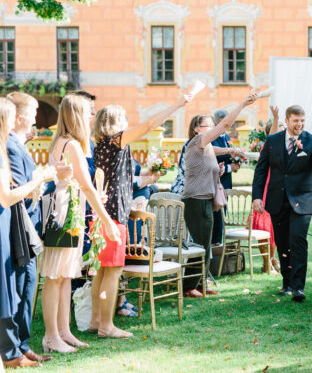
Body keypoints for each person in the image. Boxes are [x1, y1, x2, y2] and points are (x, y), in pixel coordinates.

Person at [91, 96, 190, 337]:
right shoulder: (114, 142)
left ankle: (96, 321)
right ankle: (106, 326)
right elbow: (147, 126)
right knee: (113, 271)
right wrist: (177, 104)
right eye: (123, 118)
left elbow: (121, 178)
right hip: (113, 214)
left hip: (105, 214)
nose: (127, 122)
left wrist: (148, 175)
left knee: (102, 271)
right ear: (113, 122)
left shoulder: (105, 145)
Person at [39, 94, 120, 354]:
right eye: (87, 112)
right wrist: (106, 221)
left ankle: (64, 331)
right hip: (65, 212)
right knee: (55, 276)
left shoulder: (65, 142)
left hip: (69, 209)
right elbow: (85, 184)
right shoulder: (72, 144)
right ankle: (51, 336)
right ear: (76, 115)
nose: (90, 117)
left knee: (64, 276)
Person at [252, 105, 312, 303]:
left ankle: (298, 287)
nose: (299, 124)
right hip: (277, 200)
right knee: (282, 242)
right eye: (296, 120)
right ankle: (287, 283)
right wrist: (257, 196)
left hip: (302, 200)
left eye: (302, 120)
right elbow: (261, 170)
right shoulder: (271, 141)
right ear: (287, 121)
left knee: (298, 240)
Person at [182, 95, 259, 298]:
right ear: (196, 129)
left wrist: (233, 150)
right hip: (195, 200)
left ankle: (200, 282)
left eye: (211, 125)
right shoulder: (197, 141)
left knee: (205, 244)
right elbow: (225, 125)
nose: (211, 128)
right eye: (207, 125)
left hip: (205, 200)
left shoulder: (206, 147)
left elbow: (218, 150)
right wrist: (242, 104)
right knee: (200, 245)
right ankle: (189, 286)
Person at [0, 98, 56, 368]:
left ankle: (19, 346)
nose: (36, 118)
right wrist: (41, 180)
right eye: (33, 113)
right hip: (15, 225)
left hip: (23, 223)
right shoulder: (9, 145)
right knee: (16, 287)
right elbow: (14, 192)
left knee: (25, 285)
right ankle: (12, 350)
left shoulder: (14, 144)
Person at [249, 106, 284, 274]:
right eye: (280, 129)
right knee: (264, 228)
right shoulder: (269, 145)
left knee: (274, 229)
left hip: (279, 190)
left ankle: (271, 260)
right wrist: (276, 118)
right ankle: (267, 261)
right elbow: (274, 135)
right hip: (266, 190)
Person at [211, 109, 234, 246]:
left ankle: (219, 243)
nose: (227, 125)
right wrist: (230, 168)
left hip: (226, 181)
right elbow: (213, 159)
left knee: (222, 214)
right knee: (217, 214)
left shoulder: (226, 137)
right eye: (224, 122)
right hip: (215, 181)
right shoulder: (212, 137)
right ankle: (215, 244)